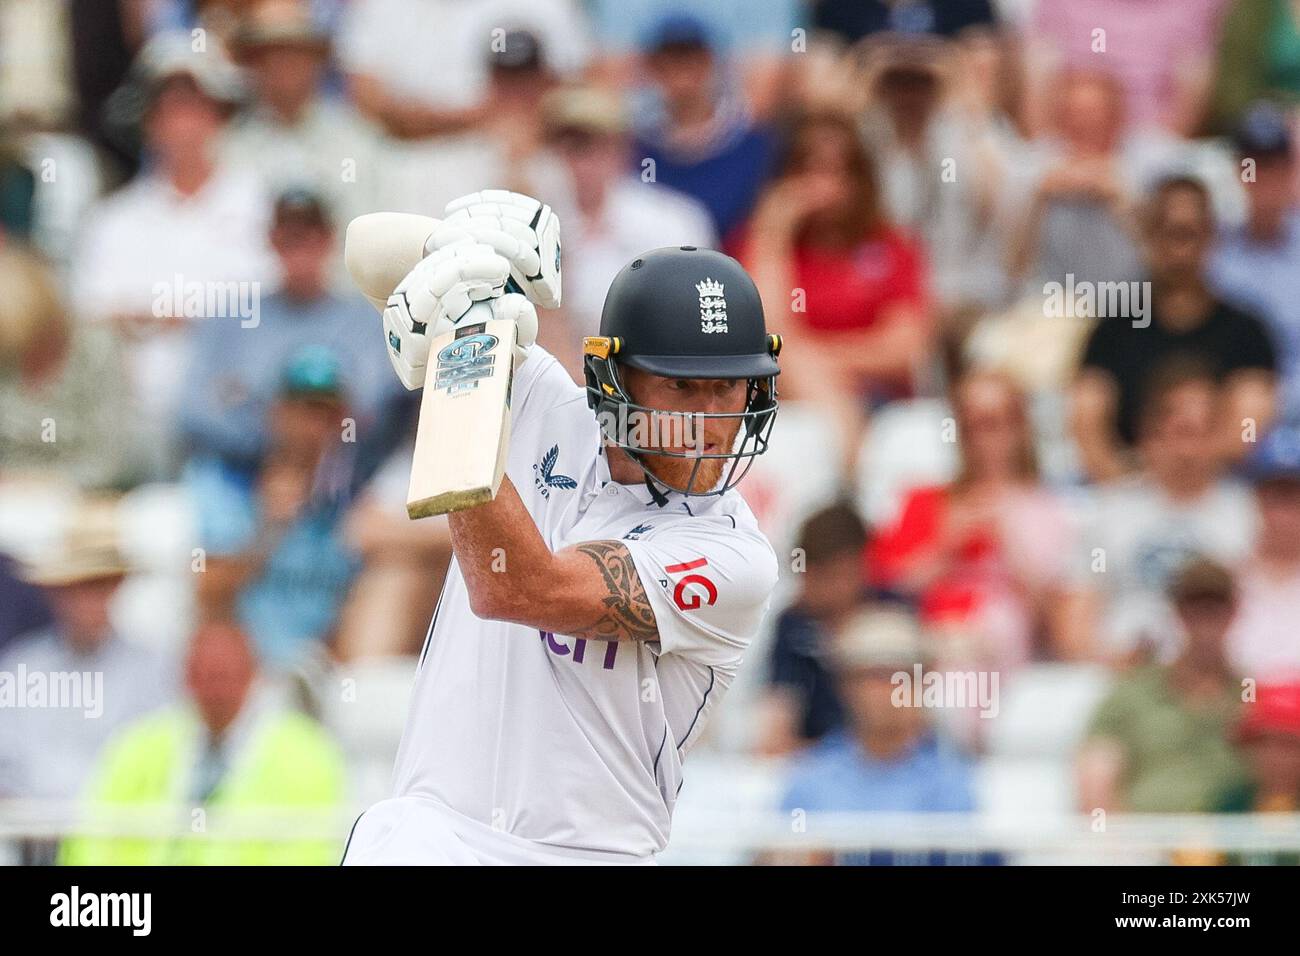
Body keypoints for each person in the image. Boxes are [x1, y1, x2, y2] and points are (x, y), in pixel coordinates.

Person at [341, 190, 780, 864]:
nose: (713, 420)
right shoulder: (546, 400)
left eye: (729, 387)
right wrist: (462, 256)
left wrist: (464, 360)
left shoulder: (733, 557)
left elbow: (515, 589)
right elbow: (365, 249)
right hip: (430, 837)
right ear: (615, 378)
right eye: (683, 387)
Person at [73, 32, 275, 475]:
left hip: (243, 428)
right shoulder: (112, 221)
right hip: (132, 427)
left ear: (219, 116)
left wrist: (152, 315)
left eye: (196, 107)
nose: (183, 124)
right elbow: (91, 328)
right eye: (168, 110)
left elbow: (273, 312)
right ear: (147, 121)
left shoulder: (266, 208)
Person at [60, 621, 346, 866]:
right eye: (202, 676)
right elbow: (92, 835)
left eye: (224, 676)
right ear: (185, 679)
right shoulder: (140, 743)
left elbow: (314, 849)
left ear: (252, 676)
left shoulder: (307, 754)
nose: (214, 691)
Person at [741, 110, 930, 472]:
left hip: (877, 401)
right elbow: (762, 338)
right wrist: (773, 234)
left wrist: (815, 359)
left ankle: (848, 475)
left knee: (797, 361)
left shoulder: (893, 247)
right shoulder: (765, 246)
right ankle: (853, 476)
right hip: (781, 400)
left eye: (839, 171)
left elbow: (904, 350)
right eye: (809, 171)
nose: (825, 186)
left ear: (862, 180)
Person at [180, 187, 405, 474]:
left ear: (329, 240)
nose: (299, 252)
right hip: (245, 470)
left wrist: (314, 433)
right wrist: (270, 435)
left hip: (347, 470)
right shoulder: (232, 318)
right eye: (289, 240)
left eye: (308, 238)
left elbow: (384, 403)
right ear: (271, 241)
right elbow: (192, 408)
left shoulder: (366, 318)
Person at [871, 369, 1083, 669]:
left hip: (1000, 650)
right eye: (970, 426)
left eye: (994, 423)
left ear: (1021, 427)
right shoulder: (923, 499)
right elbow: (883, 593)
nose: (981, 439)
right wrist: (948, 544)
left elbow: (1053, 621)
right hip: (923, 642)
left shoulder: (1049, 509)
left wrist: (1012, 541)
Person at [1072, 175, 1277, 482]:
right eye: (1168, 233)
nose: (1179, 249)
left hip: (1220, 492)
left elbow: (1247, 431)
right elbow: (1087, 422)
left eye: (1189, 234)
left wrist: (1184, 469)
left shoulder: (1245, 331)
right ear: (1149, 238)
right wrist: (1125, 483)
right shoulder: (1114, 330)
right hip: (1131, 490)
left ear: (1211, 237)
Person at [189, 346, 361, 670]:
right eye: (303, 410)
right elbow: (206, 592)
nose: (314, 428)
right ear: (275, 413)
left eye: (328, 415)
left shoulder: (350, 497)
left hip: (320, 674)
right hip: (246, 675)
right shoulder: (227, 483)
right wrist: (268, 527)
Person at [1074, 361, 1258, 658]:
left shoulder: (1251, 515)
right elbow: (1076, 614)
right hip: (1125, 673)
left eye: (1203, 432)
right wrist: (1107, 661)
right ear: (1149, 436)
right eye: (1181, 432)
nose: (1189, 450)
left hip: (1222, 676)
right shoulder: (1109, 512)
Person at [778, 606, 982, 866]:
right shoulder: (809, 778)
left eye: (900, 676)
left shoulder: (951, 783)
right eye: (873, 676)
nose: (887, 690)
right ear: (846, 686)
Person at [0, 509, 173, 805]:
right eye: (75, 588)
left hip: (117, 835)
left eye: (97, 586)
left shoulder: (153, 669)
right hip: (30, 838)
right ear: (55, 592)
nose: (86, 601)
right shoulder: (19, 667)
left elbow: (161, 762)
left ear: (116, 587)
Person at [541, 85, 717, 352]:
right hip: (565, 374)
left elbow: (696, 322)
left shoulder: (674, 221)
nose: (578, 162)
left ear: (620, 150)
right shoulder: (539, 220)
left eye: (588, 146)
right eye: (565, 148)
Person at [1077, 557, 1247, 813]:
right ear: (1178, 611)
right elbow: (1095, 784)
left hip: (1237, 845)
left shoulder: (1252, 697)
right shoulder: (1131, 694)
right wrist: (1122, 846)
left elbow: (1278, 786)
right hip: (1144, 842)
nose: (1205, 621)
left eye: (1215, 608)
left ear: (1233, 612)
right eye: (1194, 608)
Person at [221, 0, 384, 234]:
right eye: (270, 54)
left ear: (316, 61)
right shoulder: (227, 151)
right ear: (252, 65)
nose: (283, 66)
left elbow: (371, 237)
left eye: (294, 53)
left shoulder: (359, 143)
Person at [0, 241, 143, 489]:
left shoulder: (96, 347)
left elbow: (107, 462)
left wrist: (30, 484)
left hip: (85, 506)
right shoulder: (8, 350)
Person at [630, 12, 779, 243]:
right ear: (654, 68)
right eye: (669, 59)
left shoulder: (755, 145)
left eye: (691, 57)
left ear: (710, 61)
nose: (680, 69)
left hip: (732, 269)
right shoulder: (634, 147)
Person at [1209, 103, 1300, 426]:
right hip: (1238, 421)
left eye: (1273, 164)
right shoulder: (1213, 253)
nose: (1263, 177)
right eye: (1252, 164)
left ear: (1290, 169)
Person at [758, 503, 869, 756]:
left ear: (858, 569)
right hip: (819, 768)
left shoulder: (889, 615)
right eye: (807, 574)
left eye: (832, 575)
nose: (810, 586)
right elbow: (776, 734)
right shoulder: (794, 626)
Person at [1227, 427, 1300, 680]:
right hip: (1238, 709)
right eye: (1276, 496)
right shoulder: (1225, 575)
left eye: (1294, 496)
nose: (1285, 512)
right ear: (1257, 497)